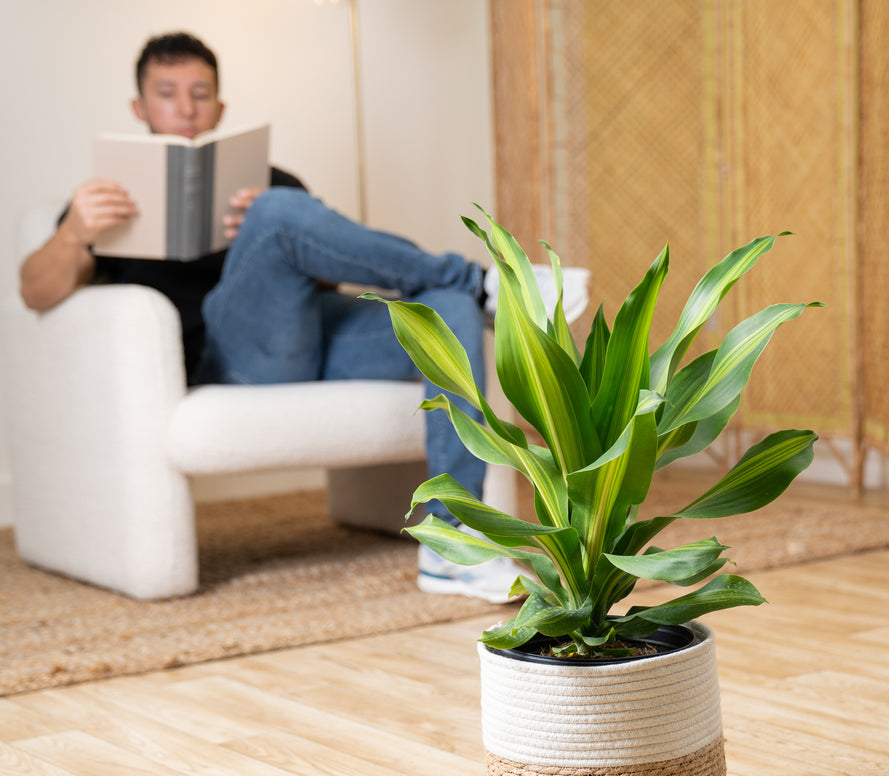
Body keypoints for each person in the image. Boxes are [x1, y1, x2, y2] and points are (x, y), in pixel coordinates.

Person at [20, 31, 586, 603]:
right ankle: (483, 279)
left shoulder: (267, 183)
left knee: (443, 310)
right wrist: (74, 234)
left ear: (220, 106)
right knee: (284, 215)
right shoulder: (104, 201)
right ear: (140, 108)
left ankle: (452, 541)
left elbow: (332, 280)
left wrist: (265, 245)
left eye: (199, 92)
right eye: (168, 93)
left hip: (308, 338)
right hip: (226, 361)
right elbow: (36, 292)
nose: (186, 108)